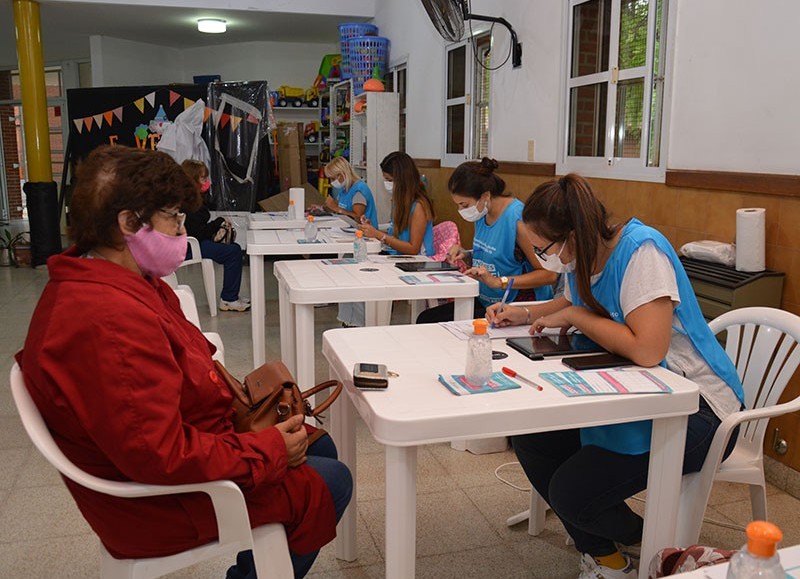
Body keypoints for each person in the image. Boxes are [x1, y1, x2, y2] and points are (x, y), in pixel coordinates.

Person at [16, 145, 352, 579]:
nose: (181, 228)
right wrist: (263, 448)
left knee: (317, 444)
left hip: (168, 458)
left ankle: (264, 562)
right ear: (128, 223)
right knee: (332, 480)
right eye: (174, 216)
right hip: (152, 501)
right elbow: (160, 455)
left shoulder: (115, 280)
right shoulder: (108, 320)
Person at [487, 174, 744, 579]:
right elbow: (570, 299)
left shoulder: (642, 252)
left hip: (699, 410)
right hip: (637, 393)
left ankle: (653, 542)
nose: (543, 258)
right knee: (533, 438)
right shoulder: (583, 255)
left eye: (545, 249)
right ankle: (606, 551)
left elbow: (647, 349)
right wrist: (525, 313)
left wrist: (573, 317)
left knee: (571, 494)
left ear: (573, 234)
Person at [416, 157, 557, 323]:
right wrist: (466, 255)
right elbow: (493, 257)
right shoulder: (481, 214)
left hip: (514, 307)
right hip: (486, 300)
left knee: (432, 323)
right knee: (426, 318)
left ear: (485, 196)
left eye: (464, 205)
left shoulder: (516, 220)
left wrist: (499, 282)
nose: (461, 210)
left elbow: (548, 274)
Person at [181, 159, 250, 312]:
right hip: (191, 246)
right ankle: (228, 299)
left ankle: (230, 296)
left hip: (192, 242)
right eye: (203, 178)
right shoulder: (189, 203)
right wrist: (219, 222)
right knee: (233, 252)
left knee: (233, 249)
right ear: (193, 180)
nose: (206, 181)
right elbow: (199, 232)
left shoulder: (190, 198)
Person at [359, 151, 435, 256]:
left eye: (389, 180)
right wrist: (373, 231)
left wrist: (378, 234)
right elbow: (395, 237)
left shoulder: (419, 206)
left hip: (418, 260)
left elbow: (413, 249)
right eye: (385, 179)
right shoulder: (399, 201)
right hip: (400, 256)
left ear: (403, 180)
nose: (387, 184)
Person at [322, 156, 378, 226]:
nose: (331, 182)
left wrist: (336, 208)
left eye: (333, 179)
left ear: (342, 174)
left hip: (364, 233)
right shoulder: (344, 188)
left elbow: (358, 218)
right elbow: (336, 205)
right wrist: (321, 208)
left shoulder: (359, 190)